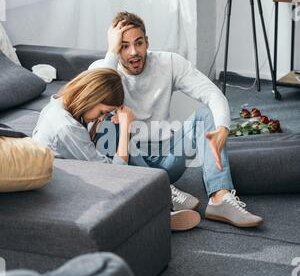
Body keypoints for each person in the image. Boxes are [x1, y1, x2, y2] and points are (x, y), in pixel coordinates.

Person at [89, 12, 263, 229]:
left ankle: (220, 197)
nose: (133, 52)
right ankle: (161, 189)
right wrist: (111, 53)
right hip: (131, 162)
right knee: (107, 123)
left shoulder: (168, 62)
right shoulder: (102, 68)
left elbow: (212, 93)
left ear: (147, 42)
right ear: (115, 48)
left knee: (205, 115)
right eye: (124, 46)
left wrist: (223, 129)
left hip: (168, 157)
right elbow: (98, 99)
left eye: (139, 43)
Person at [32, 67, 200, 231]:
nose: (100, 117)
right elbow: (114, 174)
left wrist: (113, 120)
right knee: (120, 131)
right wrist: (126, 127)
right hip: (65, 186)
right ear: (91, 97)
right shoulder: (67, 128)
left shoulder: (59, 101)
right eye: (101, 112)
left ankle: (158, 191)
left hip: (72, 170)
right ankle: (156, 206)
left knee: (114, 123)